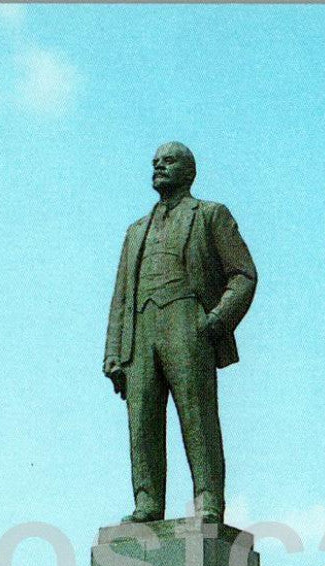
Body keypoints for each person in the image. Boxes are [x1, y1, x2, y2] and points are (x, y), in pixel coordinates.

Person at [103, 142, 257, 524]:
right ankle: (148, 501)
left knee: (197, 415)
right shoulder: (135, 231)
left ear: (189, 171)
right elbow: (122, 295)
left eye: (168, 161)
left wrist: (215, 320)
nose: (158, 166)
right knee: (141, 420)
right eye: (154, 162)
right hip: (140, 334)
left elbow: (244, 275)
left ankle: (208, 500)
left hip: (188, 322)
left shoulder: (209, 215)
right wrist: (113, 352)